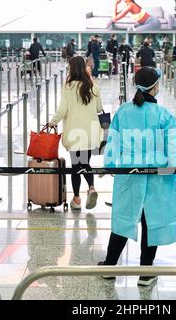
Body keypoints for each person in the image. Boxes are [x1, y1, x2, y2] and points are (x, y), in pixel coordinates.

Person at [98, 67, 176, 286]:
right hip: (158, 180)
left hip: (129, 177)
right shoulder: (164, 116)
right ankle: (145, 273)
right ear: (156, 86)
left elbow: (112, 141)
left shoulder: (123, 111)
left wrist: (110, 166)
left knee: (123, 219)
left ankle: (110, 266)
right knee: (152, 221)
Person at [47, 56, 102, 211]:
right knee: (85, 162)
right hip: (90, 133)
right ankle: (91, 187)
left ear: (72, 69)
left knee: (76, 166)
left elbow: (62, 110)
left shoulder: (69, 87)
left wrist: (52, 122)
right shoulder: (93, 86)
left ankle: (76, 199)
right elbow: (99, 109)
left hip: (74, 133)